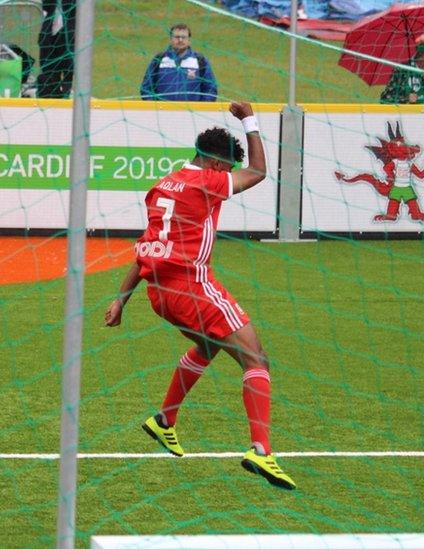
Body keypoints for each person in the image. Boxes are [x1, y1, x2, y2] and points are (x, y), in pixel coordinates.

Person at [104, 101, 296, 490]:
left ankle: (164, 421)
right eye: (227, 169)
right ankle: (261, 451)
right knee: (256, 358)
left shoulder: (163, 185)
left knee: (208, 348)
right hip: (193, 287)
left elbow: (147, 246)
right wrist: (249, 120)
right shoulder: (205, 182)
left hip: (158, 294)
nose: (228, 176)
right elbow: (258, 171)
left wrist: (121, 299)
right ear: (214, 166)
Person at [140, 24, 218, 102]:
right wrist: (153, 106)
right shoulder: (159, 59)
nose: (180, 40)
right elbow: (146, 88)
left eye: (184, 37)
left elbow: (211, 89)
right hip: (163, 111)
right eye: (177, 37)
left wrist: (201, 107)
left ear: (189, 40)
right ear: (171, 39)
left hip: (192, 112)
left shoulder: (200, 60)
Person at [380, 35, 424, 105]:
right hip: (405, 114)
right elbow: (385, 100)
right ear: (421, 55)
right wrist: (406, 99)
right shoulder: (402, 70)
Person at [36, 0, 76, 98]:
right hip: (50, 32)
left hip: (67, 32)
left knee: (68, 64)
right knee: (48, 67)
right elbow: (46, 6)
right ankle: (51, 92)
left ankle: (66, 92)